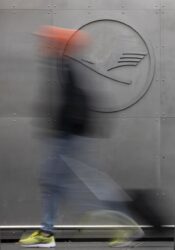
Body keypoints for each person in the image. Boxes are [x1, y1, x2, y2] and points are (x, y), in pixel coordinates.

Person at [18, 26, 143, 248]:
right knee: (56, 182)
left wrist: (63, 131)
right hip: (66, 135)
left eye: (48, 41)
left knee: (74, 184)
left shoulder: (67, 66)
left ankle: (123, 224)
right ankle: (47, 232)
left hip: (67, 136)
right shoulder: (63, 66)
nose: (43, 45)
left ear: (59, 44)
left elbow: (76, 103)